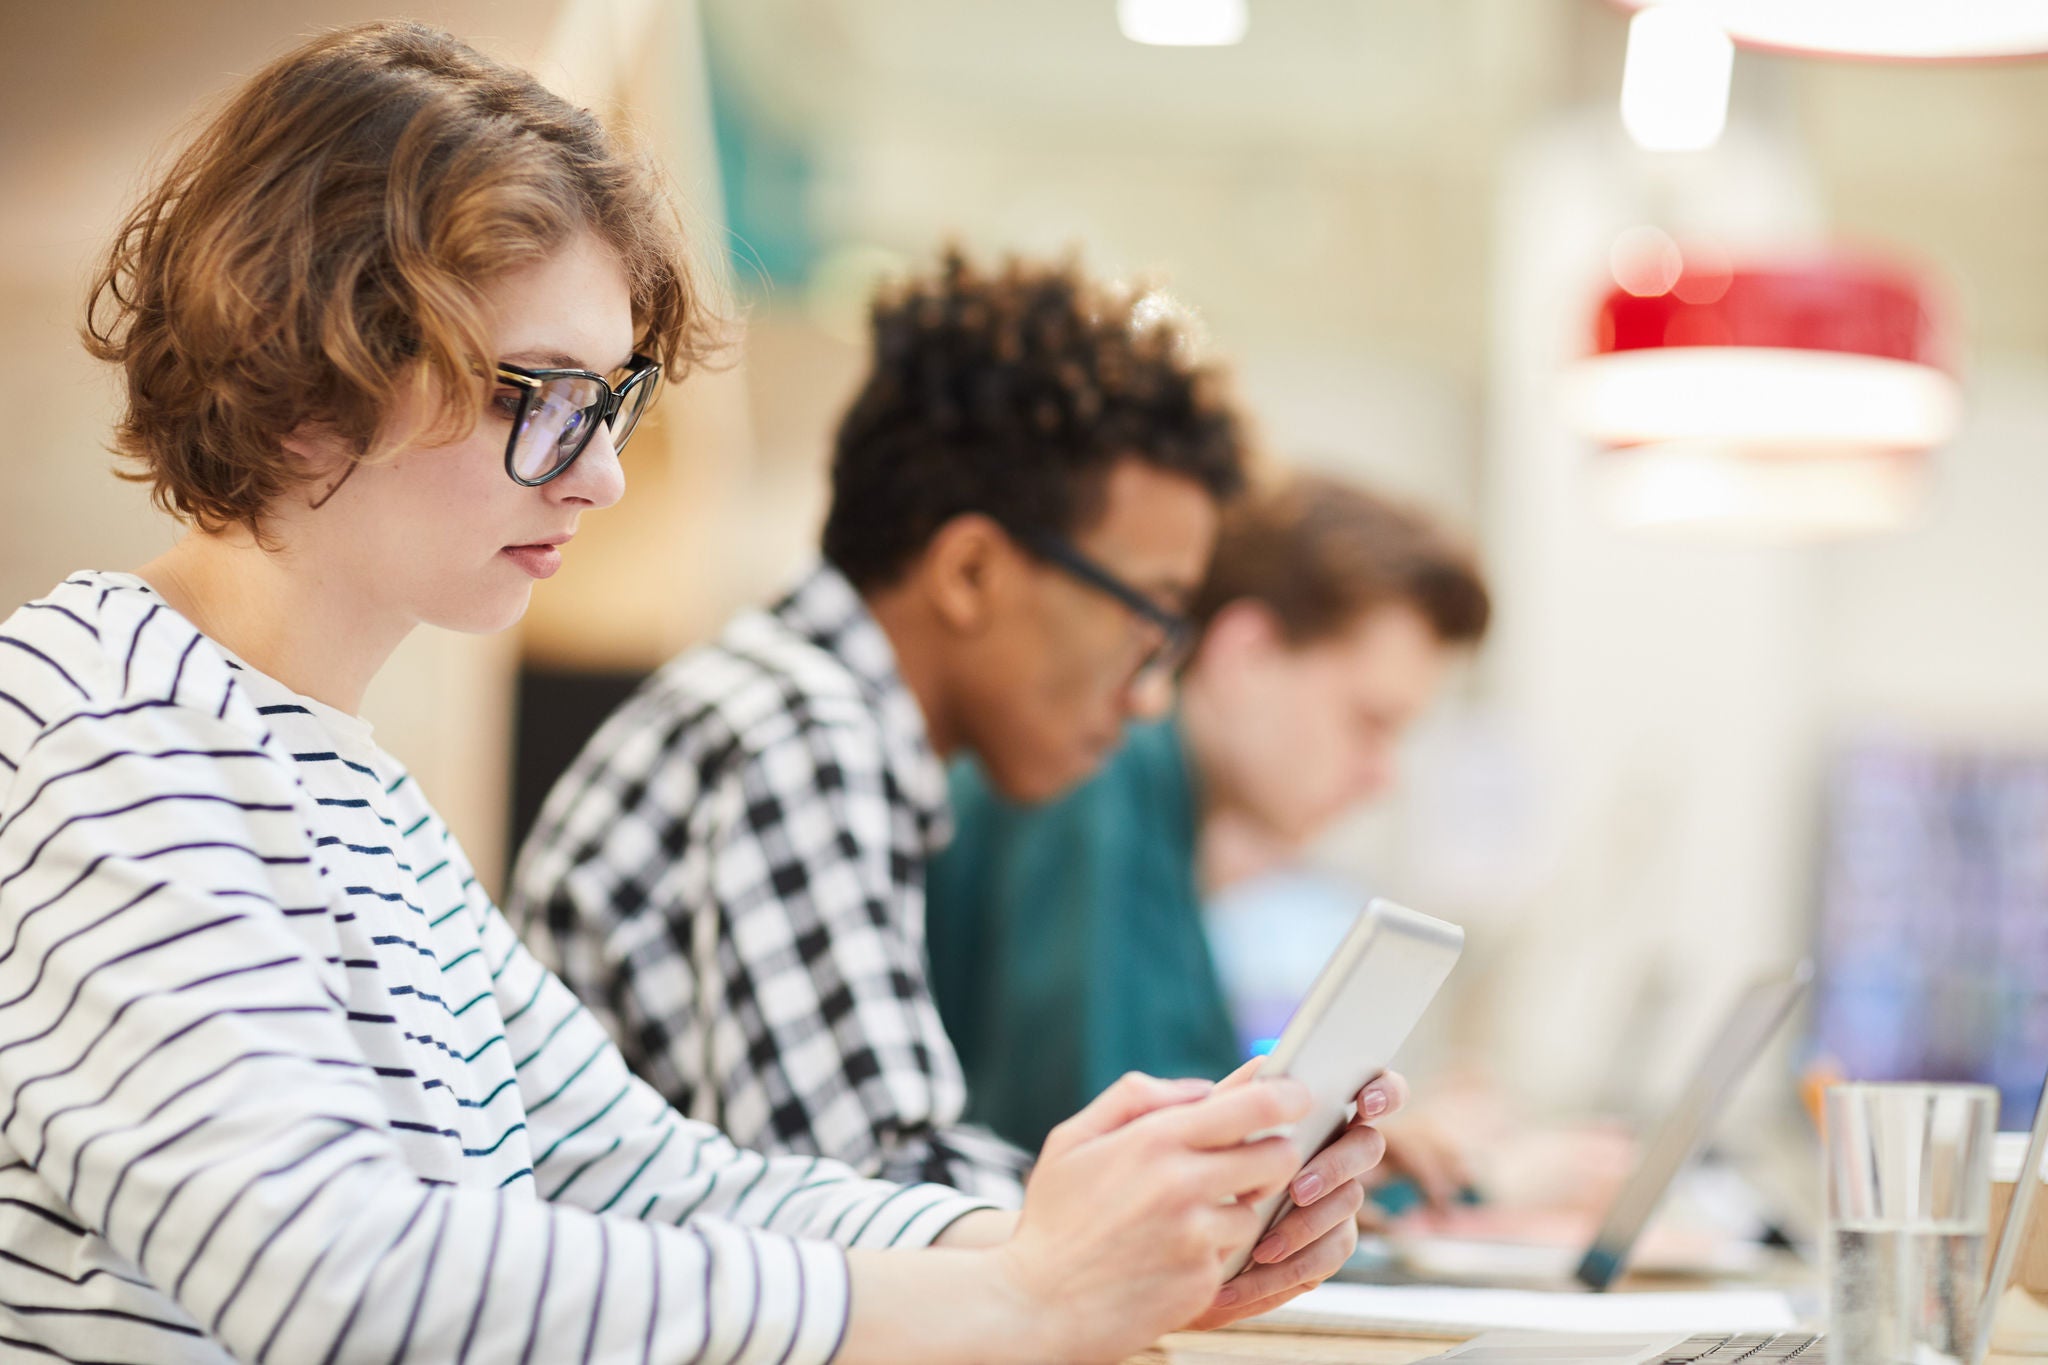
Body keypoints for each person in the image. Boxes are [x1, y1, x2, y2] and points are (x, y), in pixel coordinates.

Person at [0, 24, 1395, 1365]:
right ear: (307, 355)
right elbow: (336, 1276)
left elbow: (646, 1178)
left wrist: (1065, 1236)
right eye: (535, 395)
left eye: (606, 405)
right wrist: (1021, 1293)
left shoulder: (346, 782)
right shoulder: (100, 732)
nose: (599, 474)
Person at [512, 248, 1342, 1203]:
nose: (1149, 696)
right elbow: (871, 1198)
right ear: (971, 574)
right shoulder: (801, 730)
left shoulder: (803, 715)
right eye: (1149, 622)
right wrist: (1185, 1198)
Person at [926, 474, 1491, 1181]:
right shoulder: (1096, 781)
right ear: (1246, 653)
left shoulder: (1158, 809)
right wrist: (1474, 1183)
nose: (1384, 775)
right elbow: (1114, 1154)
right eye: (1369, 723)